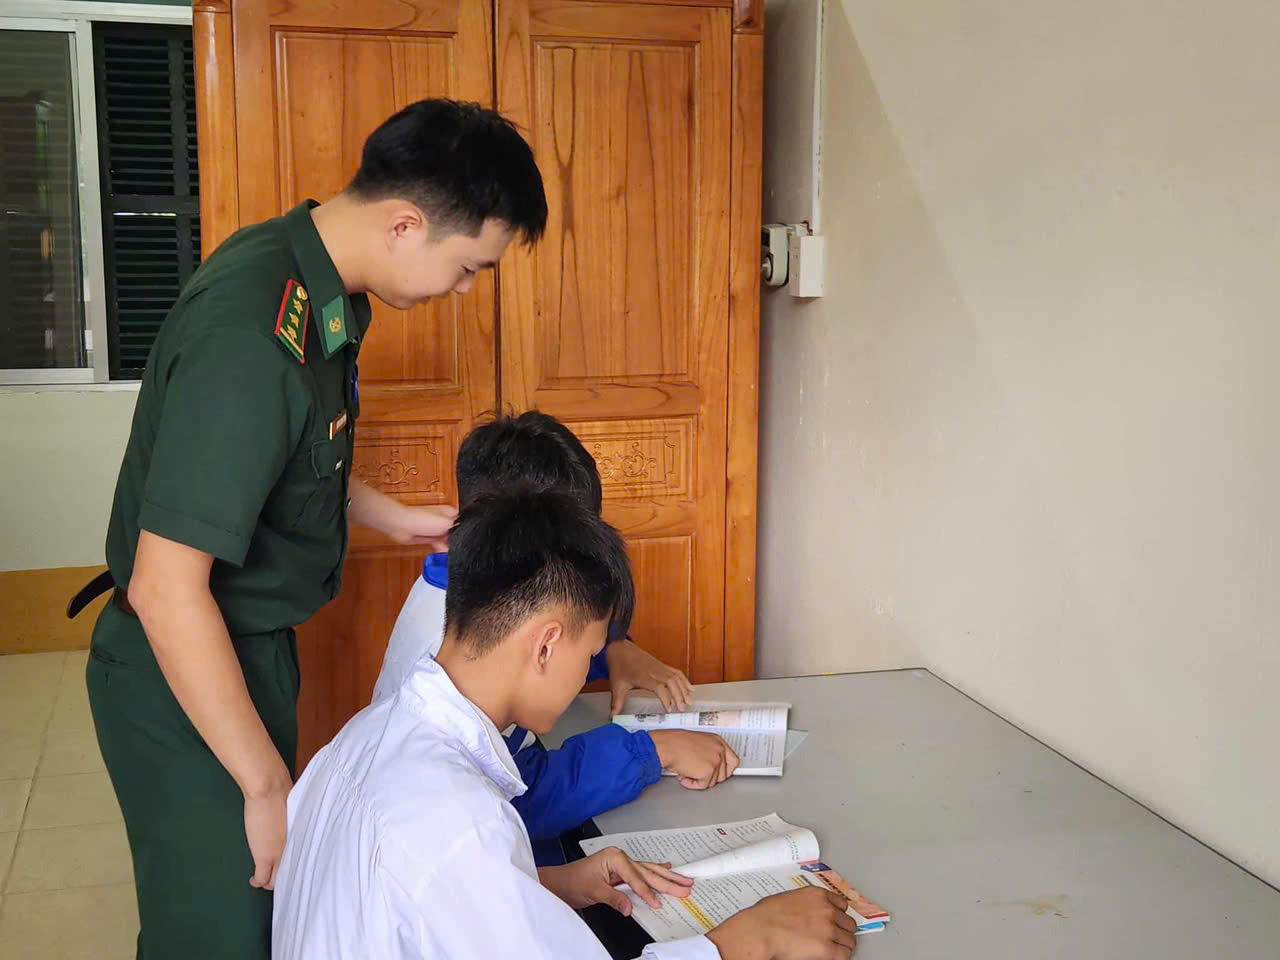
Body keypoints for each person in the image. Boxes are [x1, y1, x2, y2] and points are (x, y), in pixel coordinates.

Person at [83, 99, 548, 959]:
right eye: (468, 267)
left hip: (241, 649)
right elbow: (164, 589)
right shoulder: (250, 335)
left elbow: (293, 451)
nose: (464, 289)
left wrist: (390, 516)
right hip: (180, 667)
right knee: (220, 936)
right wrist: (266, 787)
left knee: (256, 916)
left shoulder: (313, 284)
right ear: (405, 224)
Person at [273, 491, 858, 960]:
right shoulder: (461, 825)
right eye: (592, 653)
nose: (586, 675)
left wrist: (548, 884)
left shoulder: (357, 740)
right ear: (546, 644)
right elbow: (445, 868)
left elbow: (419, 910)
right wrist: (743, 943)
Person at [374, 412, 740, 860]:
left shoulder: (456, 590)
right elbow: (524, 797)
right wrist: (652, 752)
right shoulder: (448, 657)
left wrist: (614, 648)